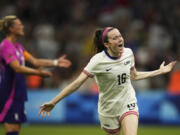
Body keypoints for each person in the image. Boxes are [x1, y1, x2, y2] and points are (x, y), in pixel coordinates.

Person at [39, 27, 176, 135]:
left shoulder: (128, 53)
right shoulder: (97, 61)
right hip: (108, 109)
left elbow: (134, 76)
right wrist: (53, 102)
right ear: (106, 44)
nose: (120, 39)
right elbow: (76, 83)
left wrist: (159, 71)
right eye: (115, 38)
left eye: (120, 36)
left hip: (128, 102)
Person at [0, 15, 71, 135]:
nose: (22, 27)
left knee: (15, 129)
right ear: (11, 29)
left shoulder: (19, 47)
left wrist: (55, 62)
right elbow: (17, 67)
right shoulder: (6, 46)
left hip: (18, 92)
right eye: (19, 25)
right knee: (11, 129)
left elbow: (35, 61)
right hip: (9, 93)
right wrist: (38, 73)